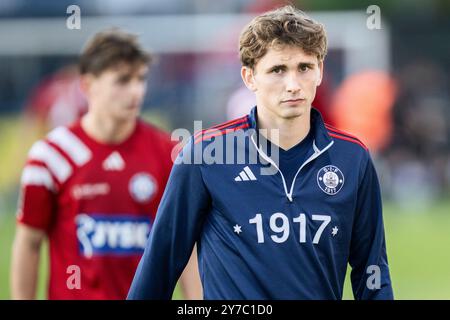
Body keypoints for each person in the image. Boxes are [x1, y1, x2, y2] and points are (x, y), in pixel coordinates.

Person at [127, 6, 393, 300]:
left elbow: (372, 271)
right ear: (249, 77)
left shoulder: (352, 158)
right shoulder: (206, 155)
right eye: (278, 70)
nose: (293, 84)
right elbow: (160, 265)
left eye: (304, 68)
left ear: (319, 70)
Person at [11, 30, 202, 300]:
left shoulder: (169, 154)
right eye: (123, 80)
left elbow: (187, 249)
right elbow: (29, 242)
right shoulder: (52, 155)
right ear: (89, 85)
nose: (136, 91)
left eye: (141, 79)